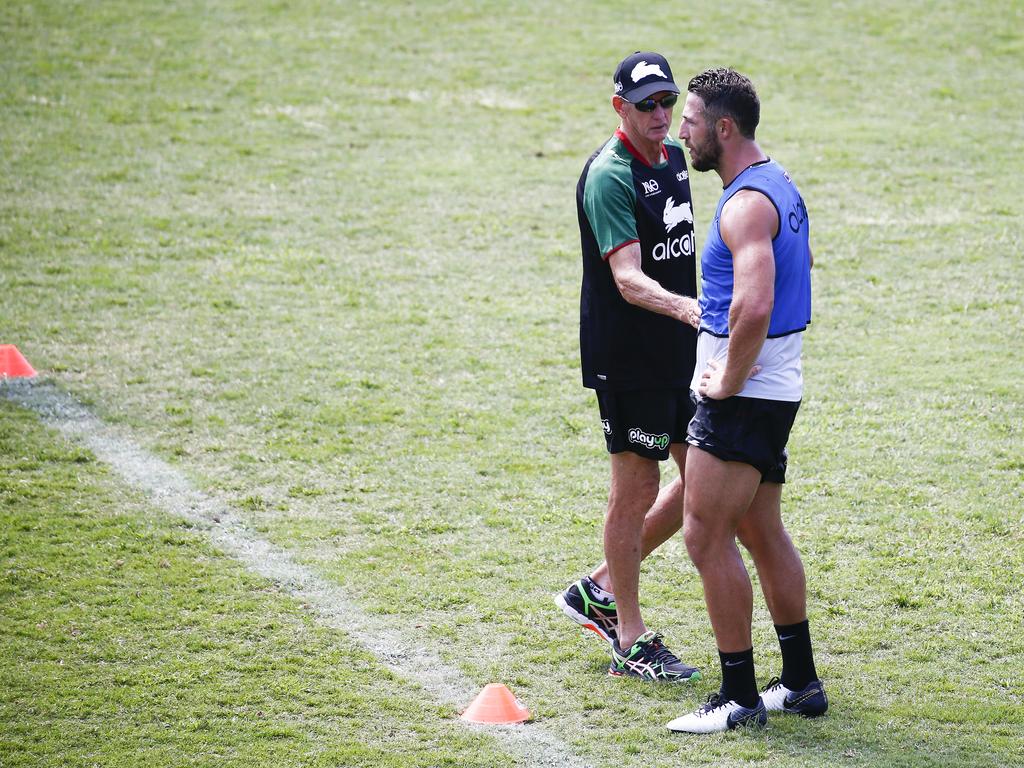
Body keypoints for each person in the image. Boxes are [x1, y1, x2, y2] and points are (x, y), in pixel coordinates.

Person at [664, 68, 827, 733]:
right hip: (775, 387)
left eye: (693, 120)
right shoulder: (777, 183)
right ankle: (801, 683)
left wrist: (728, 378)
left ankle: (738, 698)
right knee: (761, 530)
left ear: (724, 128)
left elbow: (755, 304)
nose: (683, 131)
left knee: (705, 536)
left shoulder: (742, 205)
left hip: (746, 395)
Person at [555, 51, 702, 682]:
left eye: (666, 102)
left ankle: (598, 586)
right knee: (637, 487)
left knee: (709, 482)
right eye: (646, 106)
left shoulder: (671, 157)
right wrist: (694, 311)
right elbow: (628, 278)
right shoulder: (609, 176)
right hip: (631, 359)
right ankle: (630, 639)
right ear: (620, 107)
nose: (660, 115)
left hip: (678, 352)